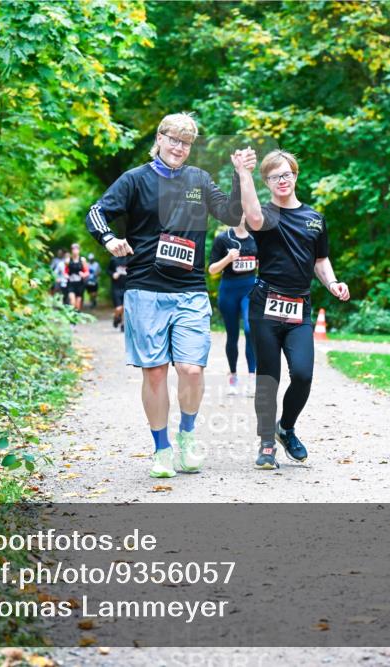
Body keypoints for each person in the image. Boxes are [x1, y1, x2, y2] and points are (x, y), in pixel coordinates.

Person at [85, 112, 245, 478]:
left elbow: (231, 212)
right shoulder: (135, 180)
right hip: (145, 289)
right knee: (155, 373)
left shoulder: (199, 180)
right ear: (158, 139)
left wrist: (239, 175)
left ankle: (186, 434)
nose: (179, 147)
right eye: (173, 139)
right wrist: (109, 239)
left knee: (190, 369)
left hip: (190, 290)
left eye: (186, 143)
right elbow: (96, 212)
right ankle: (161, 448)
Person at [233, 148, 349, 470]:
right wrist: (244, 173)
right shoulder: (265, 215)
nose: (281, 180)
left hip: (300, 307)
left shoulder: (314, 219)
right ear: (267, 182)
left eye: (286, 174)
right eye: (273, 176)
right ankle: (267, 443)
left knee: (302, 374)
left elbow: (320, 261)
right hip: (266, 305)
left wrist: (333, 284)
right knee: (268, 377)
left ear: (295, 176)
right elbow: (252, 217)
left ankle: (286, 427)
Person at [208, 222, 258, 396]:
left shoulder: (256, 237)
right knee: (233, 335)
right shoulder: (223, 238)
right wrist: (228, 259)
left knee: (251, 329)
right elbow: (212, 269)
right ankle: (233, 376)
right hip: (228, 291)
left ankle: (252, 377)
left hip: (249, 290)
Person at [64, 243, 89, 311]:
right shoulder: (68, 260)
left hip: (80, 284)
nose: (75, 250)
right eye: (73, 249)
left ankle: (76, 316)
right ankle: (72, 317)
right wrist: (66, 275)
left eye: (76, 249)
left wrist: (83, 274)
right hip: (71, 283)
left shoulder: (82, 260)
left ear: (79, 250)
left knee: (78, 305)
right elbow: (65, 271)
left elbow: (87, 272)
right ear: (71, 250)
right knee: (72, 301)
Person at [108, 254, 129, 331]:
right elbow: (108, 270)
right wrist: (113, 274)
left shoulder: (129, 259)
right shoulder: (114, 259)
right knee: (118, 308)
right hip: (116, 287)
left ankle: (123, 325)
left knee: (125, 306)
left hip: (126, 286)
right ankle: (116, 317)